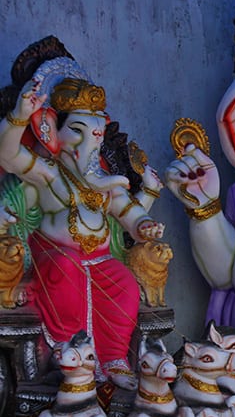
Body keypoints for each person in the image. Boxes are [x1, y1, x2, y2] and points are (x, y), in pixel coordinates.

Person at [0, 53, 164, 389]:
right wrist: (19, 117)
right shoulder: (48, 173)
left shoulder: (105, 181)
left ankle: (114, 357)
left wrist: (143, 224)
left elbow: (128, 212)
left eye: (97, 134)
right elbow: (9, 156)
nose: (91, 142)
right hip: (55, 256)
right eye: (78, 131)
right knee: (65, 269)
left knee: (125, 284)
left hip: (100, 261)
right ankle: (67, 350)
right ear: (51, 131)